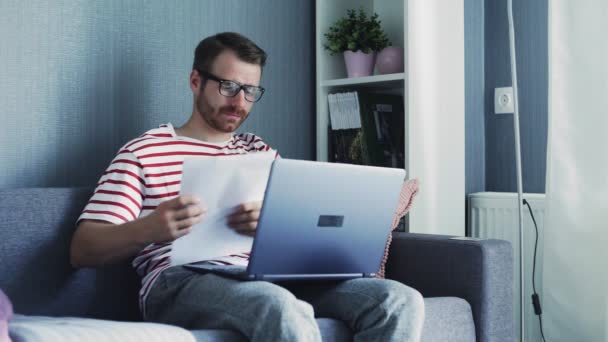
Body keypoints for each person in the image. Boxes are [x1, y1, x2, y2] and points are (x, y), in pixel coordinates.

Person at [70, 32, 424, 342]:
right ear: (196, 81)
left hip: (264, 274)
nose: (240, 102)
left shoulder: (259, 151)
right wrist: (149, 228)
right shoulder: (145, 150)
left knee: (398, 300)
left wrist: (275, 225)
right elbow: (83, 249)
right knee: (277, 304)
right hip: (181, 281)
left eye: (251, 91)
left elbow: (301, 231)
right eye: (229, 86)